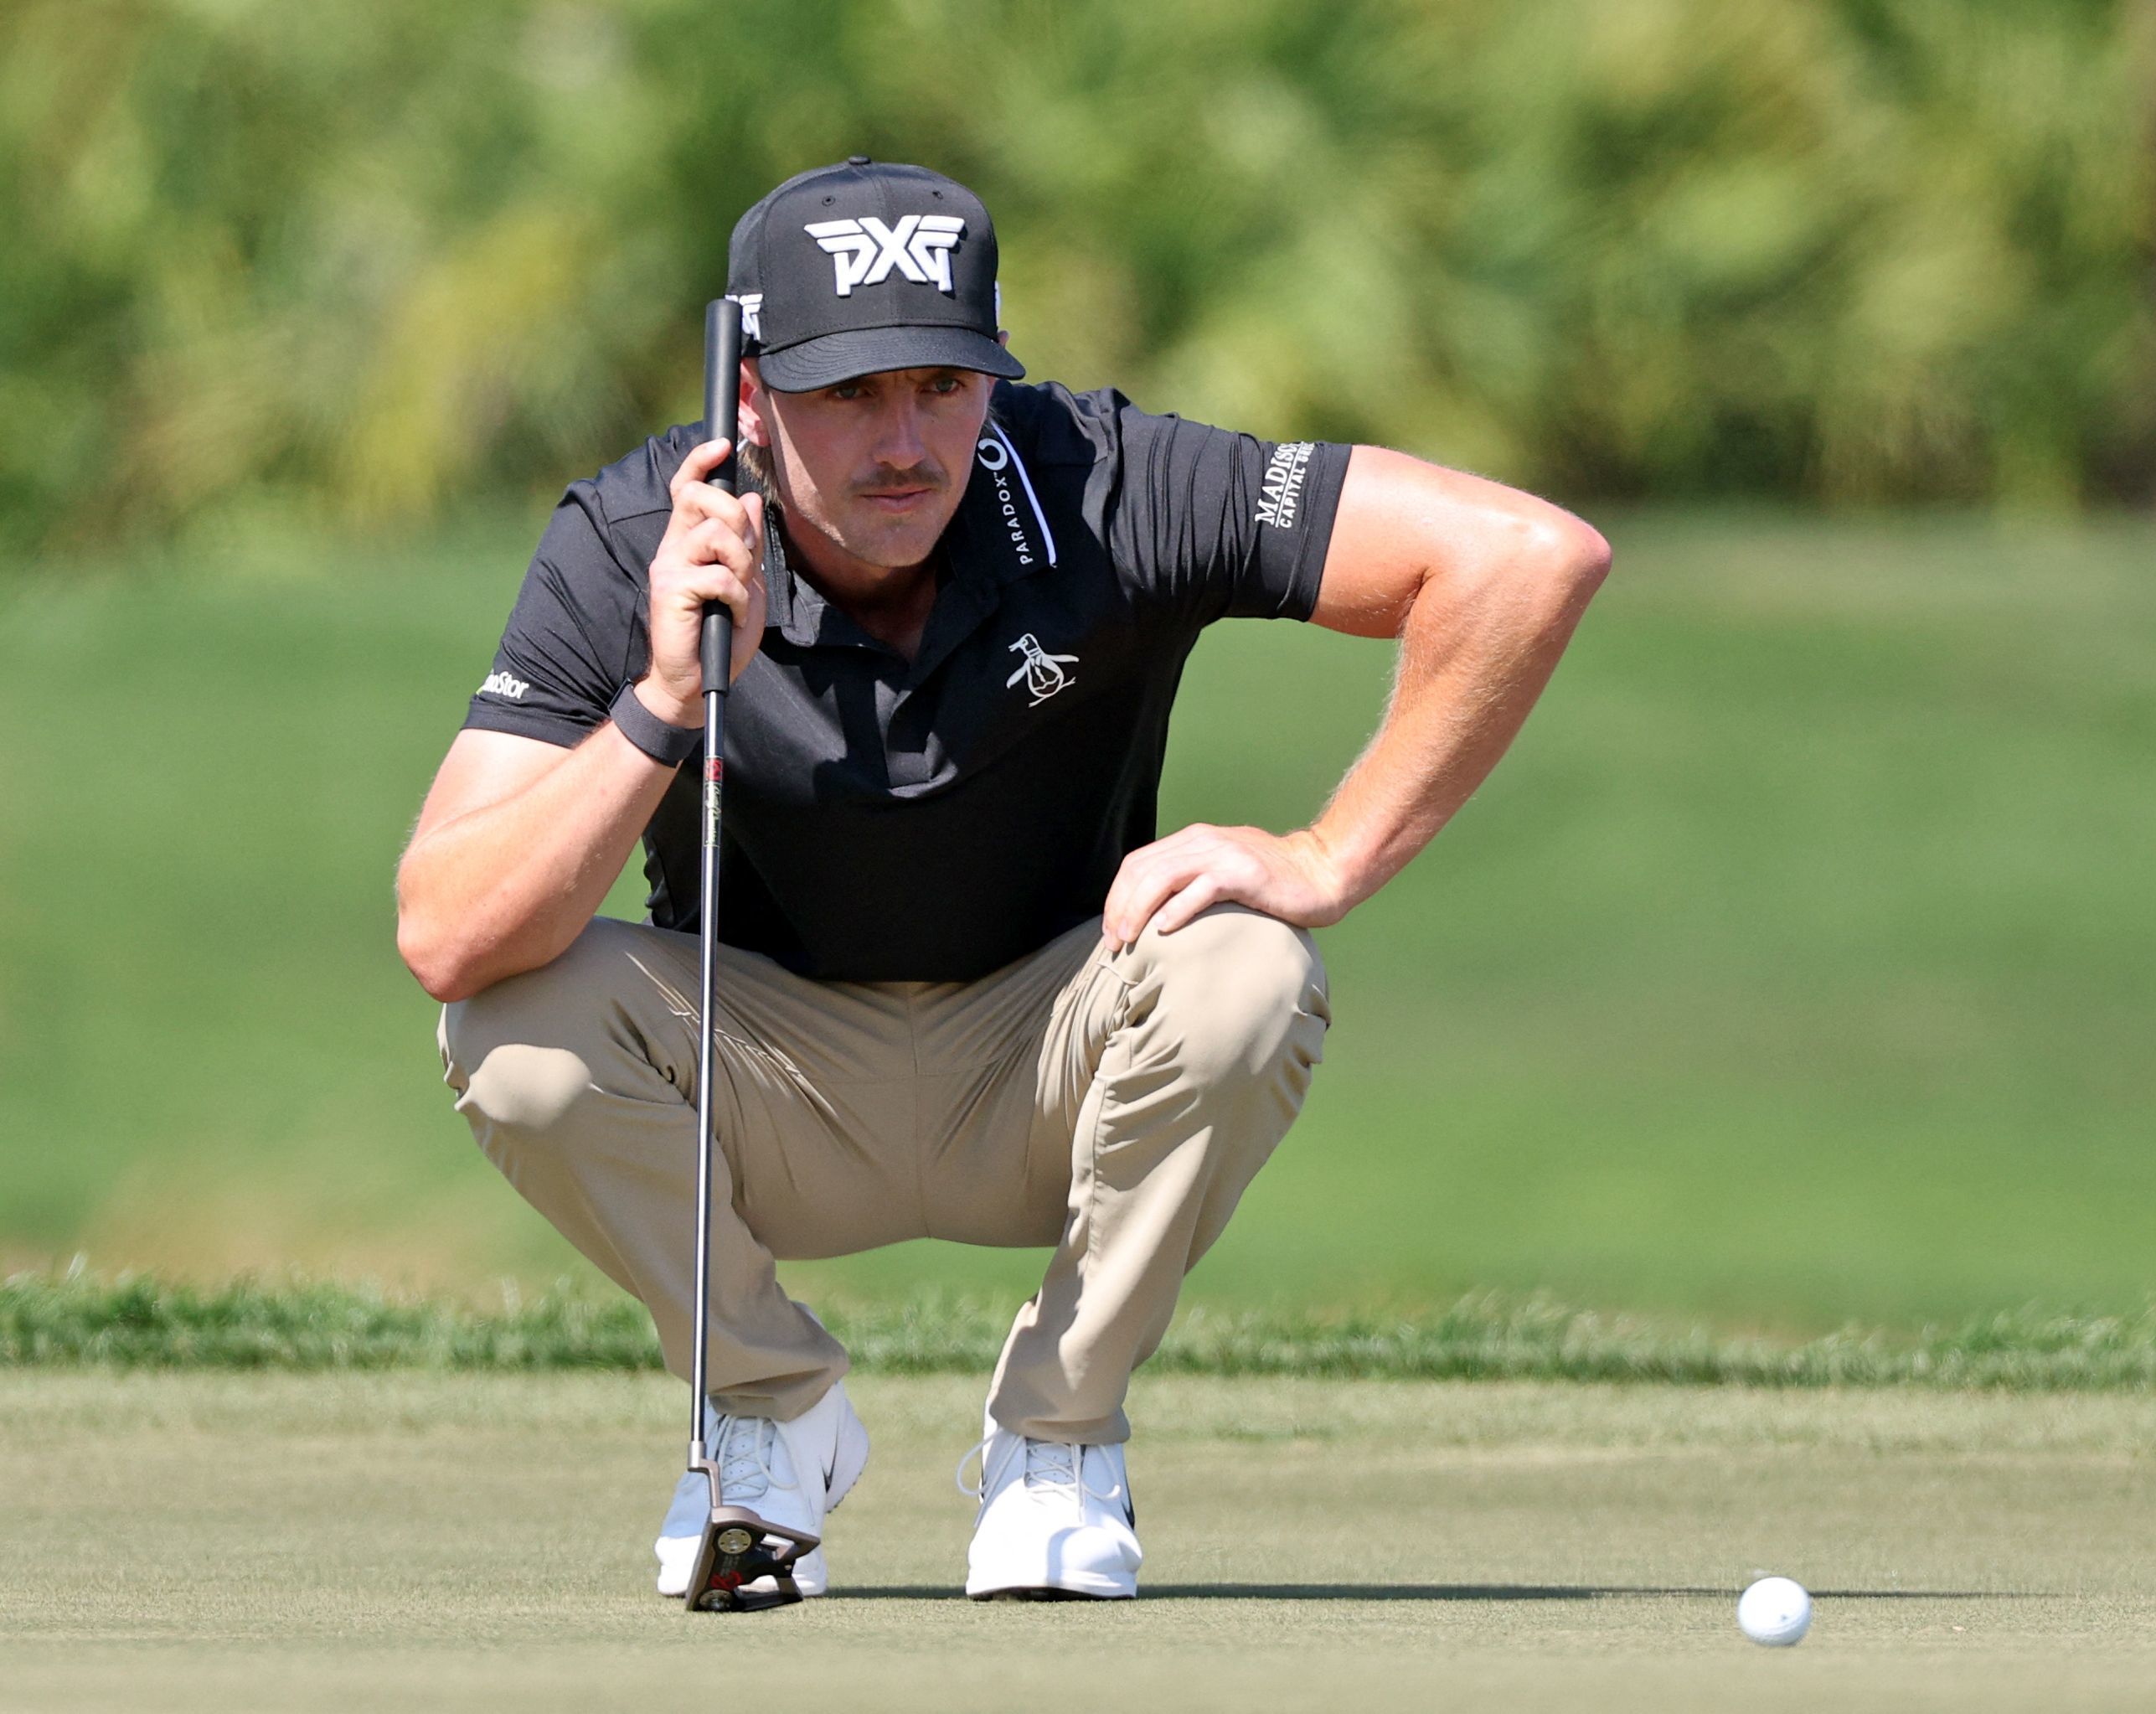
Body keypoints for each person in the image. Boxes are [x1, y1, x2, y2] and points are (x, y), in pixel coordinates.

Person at [395, 156, 1610, 1602]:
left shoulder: (1099, 475)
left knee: (1248, 967)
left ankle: (1057, 1436)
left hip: (1054, 1054)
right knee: (512, 1029)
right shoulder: (626, 539)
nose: (904, 440)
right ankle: (769, 1414)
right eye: (848, 393)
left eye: (940, 382)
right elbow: (445, 927)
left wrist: (1326, 854)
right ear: (751, 396)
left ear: (992, 375)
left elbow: (1528, 556)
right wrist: (663, 698)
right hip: (767, 1074)